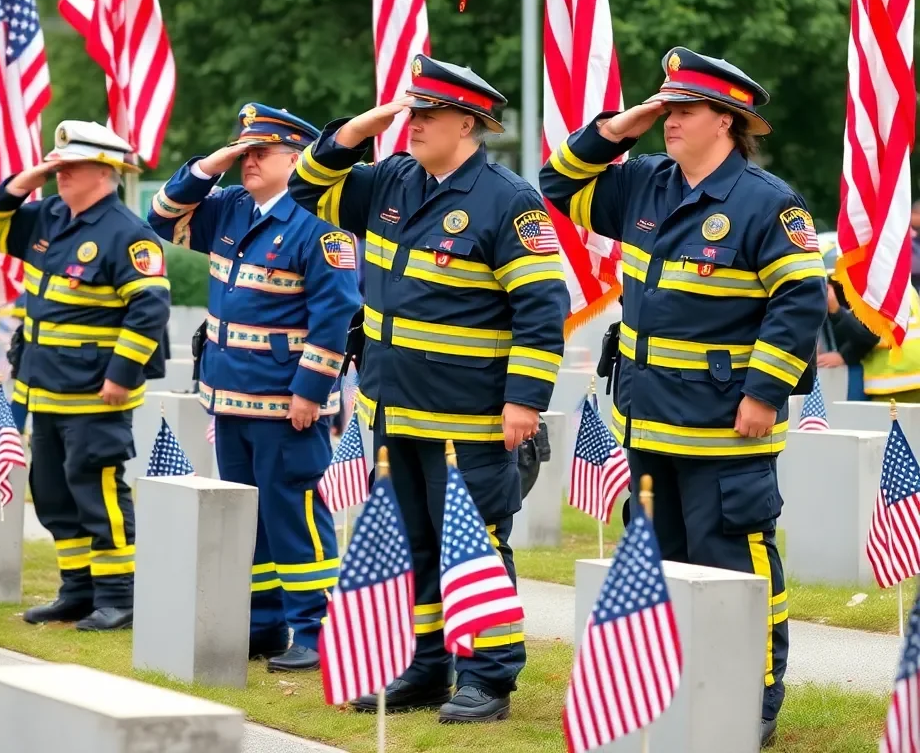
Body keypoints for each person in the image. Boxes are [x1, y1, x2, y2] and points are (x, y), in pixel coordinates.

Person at [539, 47, 827, 748]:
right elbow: (556, 179)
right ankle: (668, 693)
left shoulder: (768, 204)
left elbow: (799, 301)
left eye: (685, 110)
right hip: (646, 420)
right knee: (660, 568)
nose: (670, 121)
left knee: (735, 563)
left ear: (727, 122)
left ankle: (752, 700)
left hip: (725, 426)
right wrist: (624, 123)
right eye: (665, 108)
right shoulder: (643, 183)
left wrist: (764, 393)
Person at [289, 55, 569, 722]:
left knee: (474, 544)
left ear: (468, 123)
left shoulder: (508, 200)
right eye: (409, 113)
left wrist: (524, 399)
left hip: (468, 418)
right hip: (396, 409)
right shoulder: (391, 179)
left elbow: (541, 305)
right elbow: (307, 190)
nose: (412, 126)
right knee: (414, 541)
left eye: (428, 115)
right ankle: (427, 663)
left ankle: (489, 677)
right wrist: (359, 128)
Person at [147, 104, 360, 672]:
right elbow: (162, 217)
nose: (249, 161)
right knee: (249, 517)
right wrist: (211, 164)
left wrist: (312, 391)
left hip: (286, 402)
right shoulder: (232, 209)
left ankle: (315, 630)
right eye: (244, 151)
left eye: (261, 151)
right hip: (229, 396)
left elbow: (335, 314)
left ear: (298, 159)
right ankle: (264, 624)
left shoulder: (319, 224)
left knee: (293, 513)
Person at [0, 121, 171, 632]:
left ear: (104, 171)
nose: (60, 175)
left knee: (97, 489)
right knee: (54, 492)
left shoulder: (128, 234)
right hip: (44, 385)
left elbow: (148, 309)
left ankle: (118, 597)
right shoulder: (49, 216)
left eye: (70, 167)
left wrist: (122, 375)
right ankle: (76, 592)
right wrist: (26, 178)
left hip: (95, 390)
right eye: (56, 165)